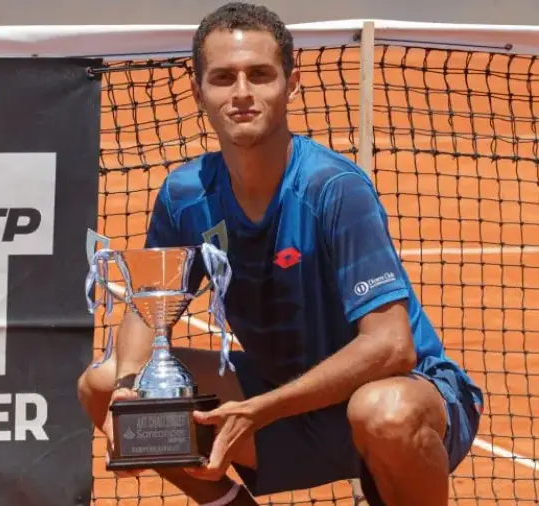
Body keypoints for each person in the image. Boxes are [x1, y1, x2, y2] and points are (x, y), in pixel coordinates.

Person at [76, 2, 484, 506]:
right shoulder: (185, 194)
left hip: (398, 392)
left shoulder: (333, 189)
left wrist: (262, 409)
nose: (242, 92)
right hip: (279, 393)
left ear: (291, 85)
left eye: (260, 75)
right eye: (223, 77)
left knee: (387, 410)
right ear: (198, 89)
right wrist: (132, 387)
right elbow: (147, 306)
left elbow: (391, 347)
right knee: (101, 383)